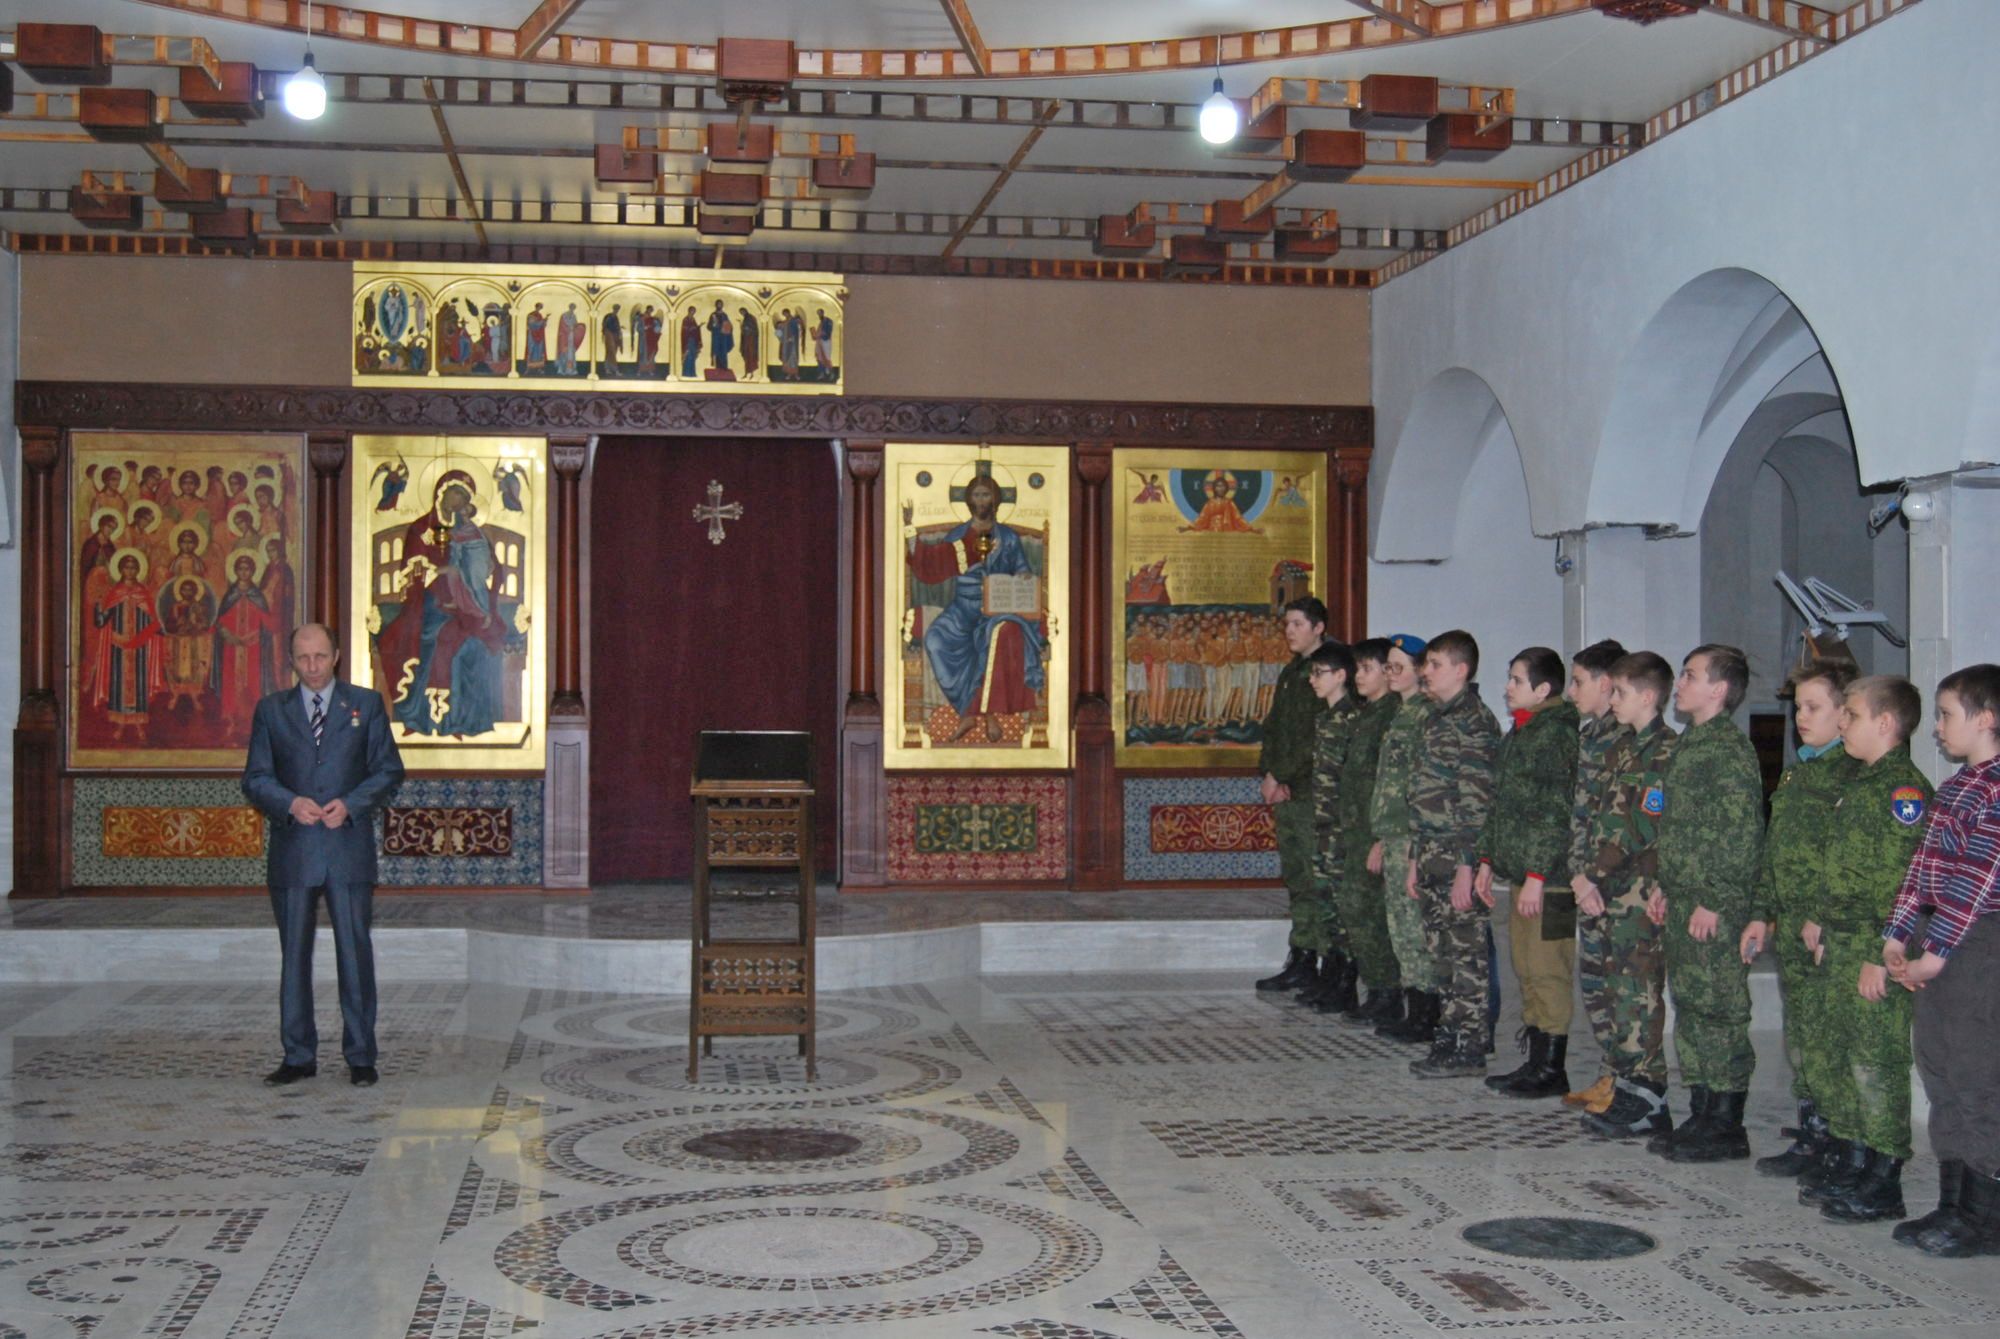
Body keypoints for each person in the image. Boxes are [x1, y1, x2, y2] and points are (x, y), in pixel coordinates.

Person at [1790, 675, 1931, 1224]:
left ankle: (1883, 1176)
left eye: (1850, 715)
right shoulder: (1861, 782)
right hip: (1841, 941)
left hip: (1875, 948)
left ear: (1885, 723)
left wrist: (1878, 953)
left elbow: (1900, 882)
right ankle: (1853, 1158)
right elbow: (1841, 867)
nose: (1841, 724)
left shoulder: (1904, 792)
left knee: (1876, 1061)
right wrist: (1820, 919)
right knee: (1839, 1054)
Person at [242, 624, 405, 1088]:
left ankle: (361, 1055)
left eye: (319, 656)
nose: (311, 666)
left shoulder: (365, 705)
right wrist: (290, 803)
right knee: (293, 955)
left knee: (354, 952)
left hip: (346, 847)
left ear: (335, 656)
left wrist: (351, 804)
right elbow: (255, 778)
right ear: (291, 660)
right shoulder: (271, 710)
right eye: (302, 657)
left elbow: (389, 770)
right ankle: (297, 1055)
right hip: (294, 849)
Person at [1882, 663, 2000, 1256]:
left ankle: (1986, 1219)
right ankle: (1952, 1205)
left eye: (1948, 714)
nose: (1937, 726)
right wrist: (1897, 934)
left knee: (1977, 1077)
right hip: (1940, 938)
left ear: (1986, 719)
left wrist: (1935, 954)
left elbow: (1975, 883)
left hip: (1977, 943)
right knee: (1939, 1068)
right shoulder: (1956, 787)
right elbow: (1922, 872)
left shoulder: (1996, 791)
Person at [1740, 660, 1859, 1177]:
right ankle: (1813, 1130)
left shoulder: (1853, 776)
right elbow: (1778, 851)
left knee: (1831, 1039)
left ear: (1846, 713)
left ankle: (1839, 1139)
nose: (1800, 717)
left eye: (1814, 707)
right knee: (1804, 1036)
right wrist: (1761, 913)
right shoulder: (1799, 772)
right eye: (1798, 708)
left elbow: (1847, 862)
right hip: (1791, 928)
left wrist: (1823, 918)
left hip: (1824, 930)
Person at [1651, 643, 1766, 1162]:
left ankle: (1726, 1125)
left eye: (1690, 675)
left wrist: (1715, 900)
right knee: (1692, 1007)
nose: (1680, 684)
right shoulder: (1691, 744)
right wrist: (1666, 884)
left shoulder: (1729, 750)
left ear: (1718, 689)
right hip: (1685, 899)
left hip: (1714, 905)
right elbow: (1682, 830)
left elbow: (1740, 833)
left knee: (1719, 1010)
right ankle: (1700, 1113)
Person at [1574, 651, 1679, 1137]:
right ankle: (1624, 1085)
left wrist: (1593, 875)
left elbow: (1641, 826)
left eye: (1620, 692)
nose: (1612, 700)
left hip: (1637, 890)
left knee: (1638, 995)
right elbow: (1597, 819)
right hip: (1608, 889)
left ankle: (1648, 1099)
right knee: (1615, 992)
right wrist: (1586, 877)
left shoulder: (1663, 752)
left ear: (1648, 697)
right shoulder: (1623, 749)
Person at [1476, 646, 1582, 1098]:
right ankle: (1536, 1061)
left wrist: (1538, 874)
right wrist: (1486, 860)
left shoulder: (1555, 736)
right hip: (1526, 876)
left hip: (1552, 881)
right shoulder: (1523, 731)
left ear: (1543, 689)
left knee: (1548, 970)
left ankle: (1552, 1069)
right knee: (1526, 968)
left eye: (1516, 680)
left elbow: (1555, 811)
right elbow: (1499, 804)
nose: (1507, 687)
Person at [1405, 629, 1502, 1077]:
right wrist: (1414, 858)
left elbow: (1476, 803)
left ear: (1461, 670)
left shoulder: (1475, 723)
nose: (1425, 671)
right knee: (1440, 953)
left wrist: (1468, 866)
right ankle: (1449, 1033)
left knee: (1466, 954)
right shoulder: (1434, 718)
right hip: (1430, 853)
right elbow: (1421, 796)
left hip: (1457, 857)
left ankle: (1469, 1044)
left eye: (1435, 664)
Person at [904, 473, 1046, 744]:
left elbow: (1022, 570)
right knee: (935, 639)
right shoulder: (958, 537)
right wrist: (910, 530)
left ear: (996, 499)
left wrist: (1023, 577)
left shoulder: (1008, 538)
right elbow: (930, 565)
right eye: (977, 495)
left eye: (986, 495)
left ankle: (988, 714)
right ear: (969, 500)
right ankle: (966, 711)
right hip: (962, 608)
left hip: (999, 607)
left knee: (1000, 635)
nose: (981, 500)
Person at [375, 476, 508, 739]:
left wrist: (469, 577)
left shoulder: (470, 530)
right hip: (427, 602)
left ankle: (462, 721)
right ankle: (419, 718)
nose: (458, 502)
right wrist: (437, 574)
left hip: (465, 604)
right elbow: (411, 571)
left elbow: (487, 565)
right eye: (455, 494)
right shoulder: (421, 529)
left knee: (476, 646)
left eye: (464, 498)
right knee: (428, 637)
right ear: (441, 494)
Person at [1560, 638, 1628, 1108]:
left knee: (1620, 985)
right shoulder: (1591, 735)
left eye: (1579, 682)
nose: (1571, 692)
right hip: (1585, 879)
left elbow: (1622, 821)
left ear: (1606, 684)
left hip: (1611, 883)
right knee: (1596, 984)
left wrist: (1597, 876)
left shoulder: (1626, 740)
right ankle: (1609, 1073)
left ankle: (1625, 1081)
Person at [1252, 597, 1330, 992]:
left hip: (1311, 792)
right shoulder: (1292, 671)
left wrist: (1281, 774)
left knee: (1317, 879)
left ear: (1318, 627)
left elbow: (1314, 738)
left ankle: (1325, 961)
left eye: (1298, 624)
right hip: (1287, 790)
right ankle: (1301, 957)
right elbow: (1276, 727)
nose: (1289, 631)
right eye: (1287, 624)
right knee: (1298, 878)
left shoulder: (1327, 670)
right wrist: (1270, 772)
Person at [1368, 634, 1439, 1041]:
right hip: (1393, 833)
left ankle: (1426, 1014)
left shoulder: (1425, 716)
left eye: (1398, 667)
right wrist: (1382, 835)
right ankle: (1415, 1008)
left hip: (1411, 837)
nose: (1391, 674)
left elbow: (1420, 785)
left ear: (1419, 670)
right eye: (1388, 667)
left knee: (1413, 927)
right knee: (1400, 926)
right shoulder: (1401, 713)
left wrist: (1413, 840)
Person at [1330, 638, 1402, 1025]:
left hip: (1374, 833)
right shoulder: (1369, 715)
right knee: (1357, 910)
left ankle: (1388, 992)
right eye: (1357, 669)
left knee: (1371, 913)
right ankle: (1377, 989)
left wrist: (1380, 839)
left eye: (1367, 669)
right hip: (1356, 831)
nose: (1359, 676)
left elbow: (1389, 784)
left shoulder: (1391, 716)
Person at [1300, 639, 1362, 1012]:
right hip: (1322, 825)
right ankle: (1331, 973)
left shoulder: (1352, 719)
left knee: (1343, 906)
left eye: (1319, 673)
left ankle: (1347, 982)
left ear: (1340, 675)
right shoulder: (1324, 719)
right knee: (1325, 902)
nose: (1313, 680)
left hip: (1341, 828)